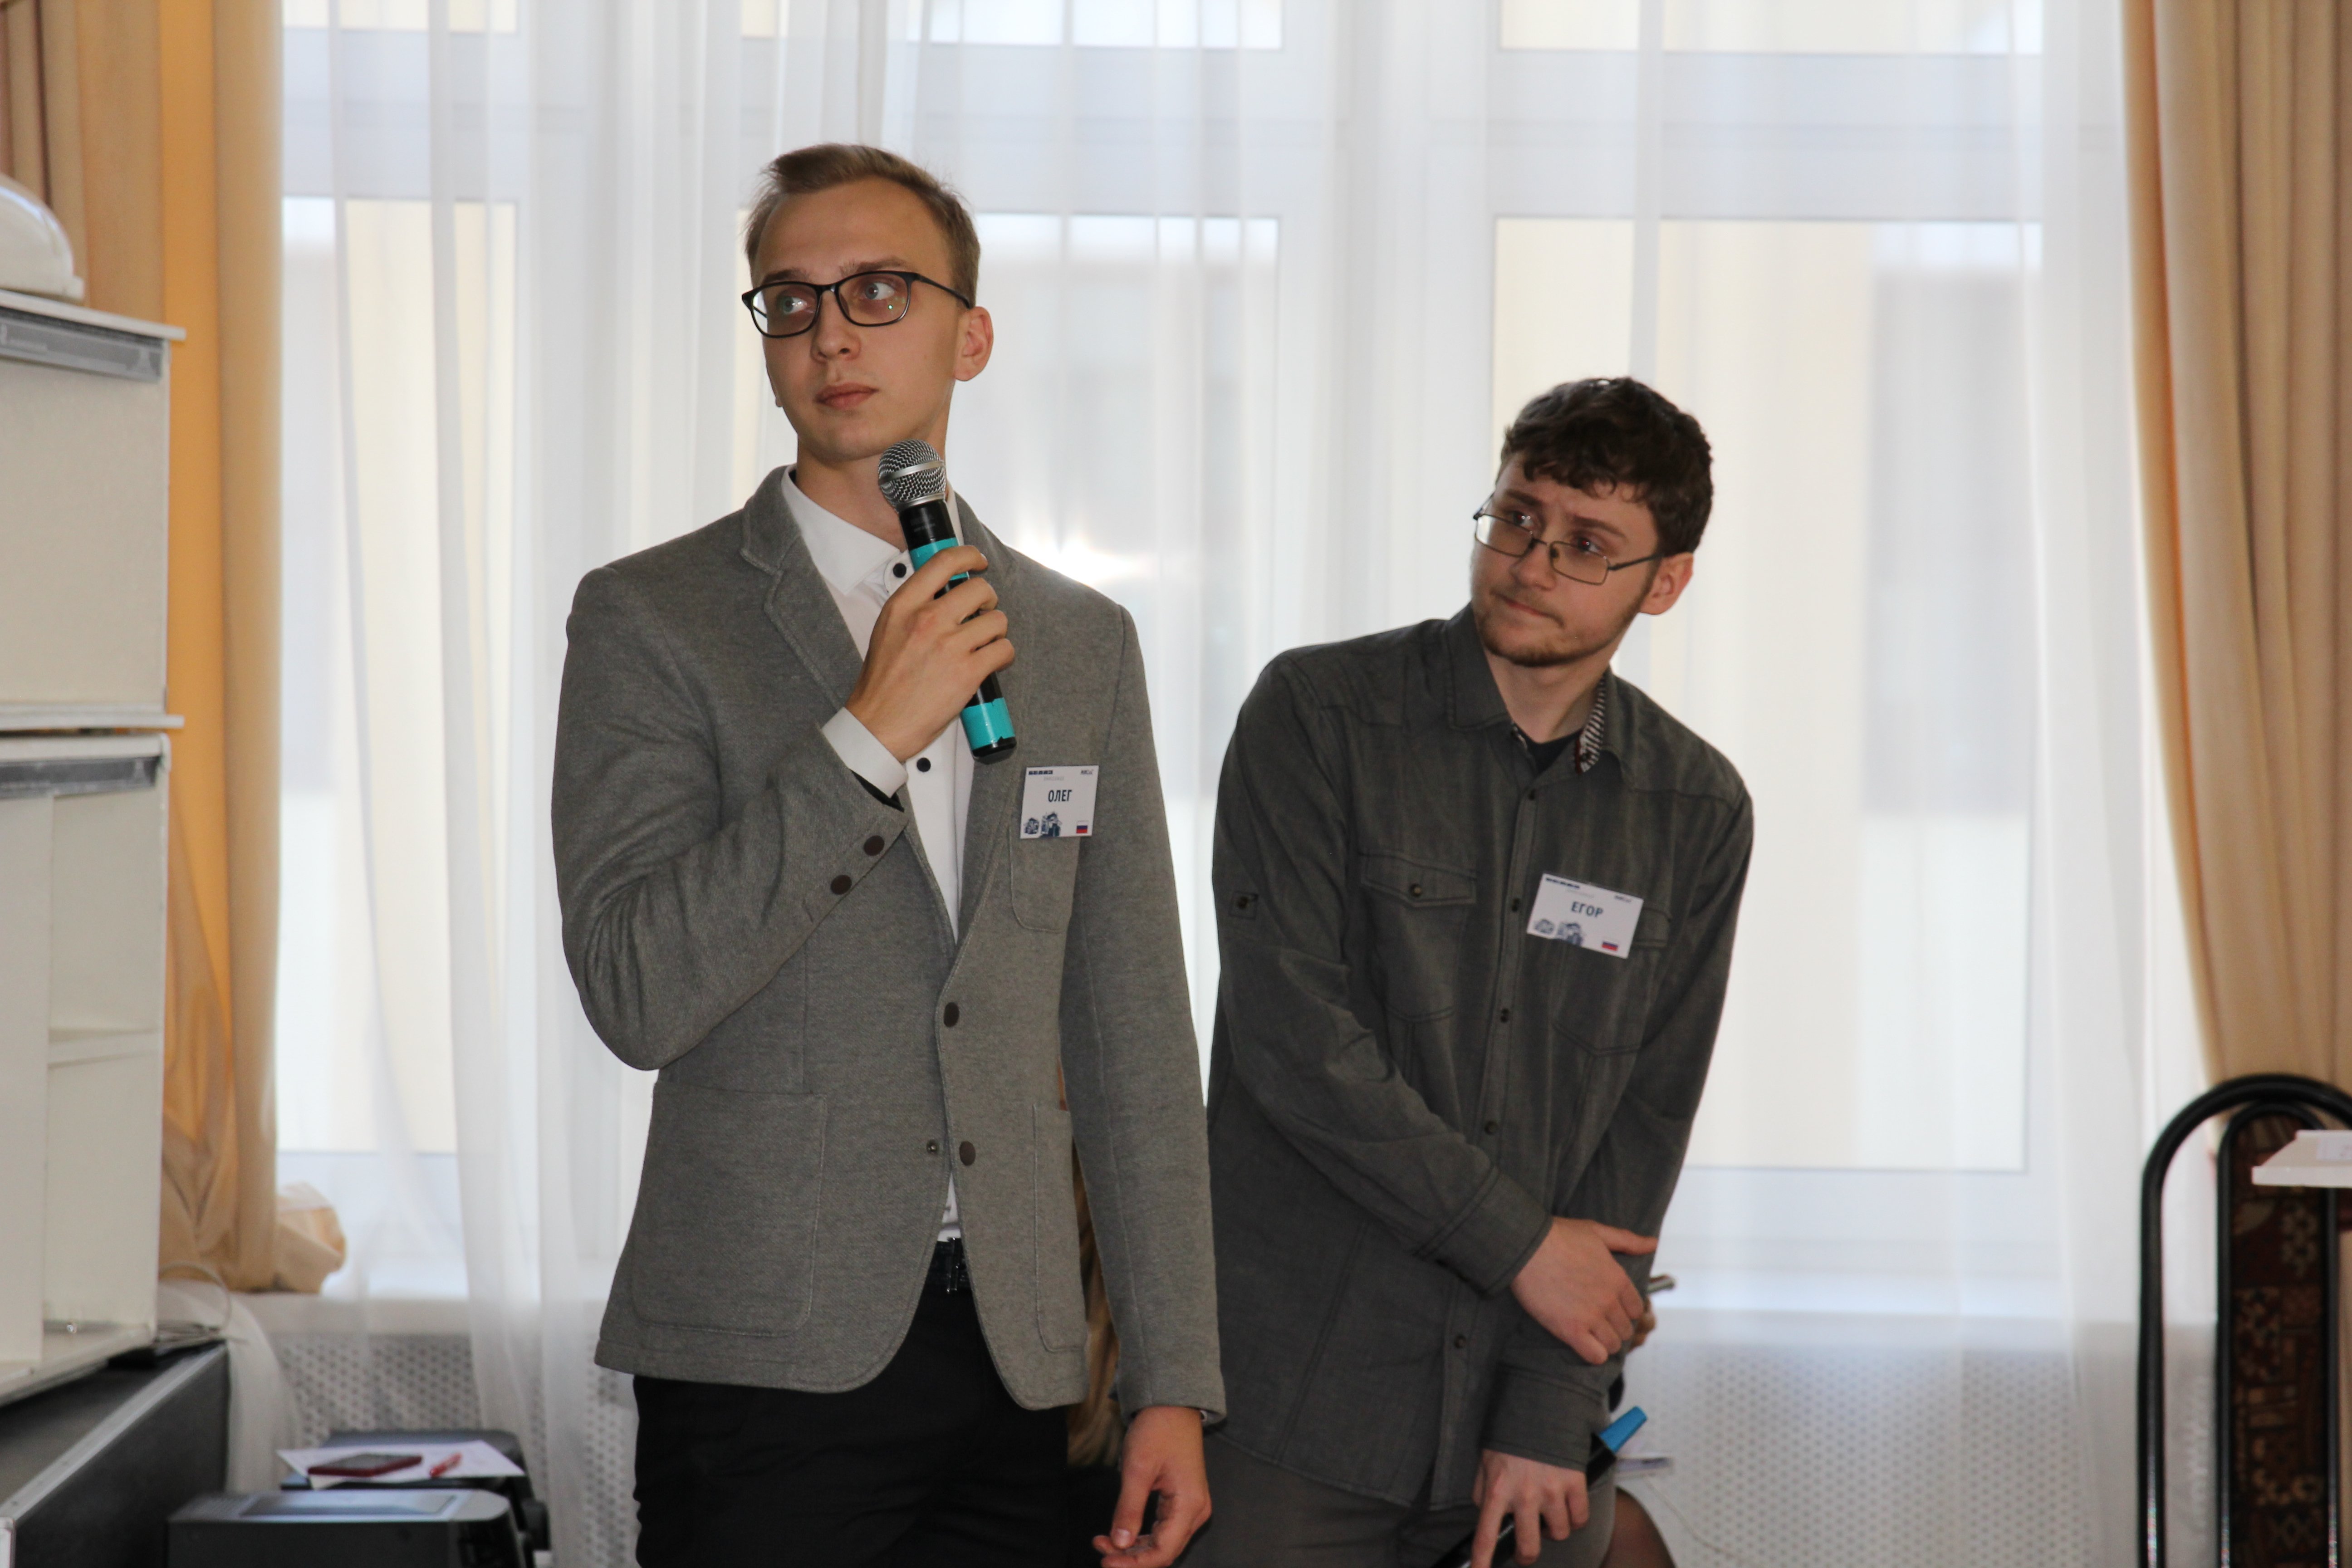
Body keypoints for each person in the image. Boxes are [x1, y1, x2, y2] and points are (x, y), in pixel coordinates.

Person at [551, 143, 1222, 1568]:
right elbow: (635, 991)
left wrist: (1172, 1380)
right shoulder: (651, 618)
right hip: (763, 1355)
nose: (832, 334)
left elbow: (1134, 1035)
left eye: (878, 291)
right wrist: (864, 737)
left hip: (1021, 1358)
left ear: (971, 338)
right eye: (791, 300)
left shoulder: (1080, 643)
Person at [1196, 377, 1752, 1568]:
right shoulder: (1318, 714)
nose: (1532, 563)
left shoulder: (1696, 808)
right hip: (1290, 1405)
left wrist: (1551, 1408)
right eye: (1517, 518)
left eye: (1587, 544)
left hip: (1525, 1421)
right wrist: (1523, 1245)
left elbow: (1644, 1129)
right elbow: (1295, 1045)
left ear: (1665, 582)